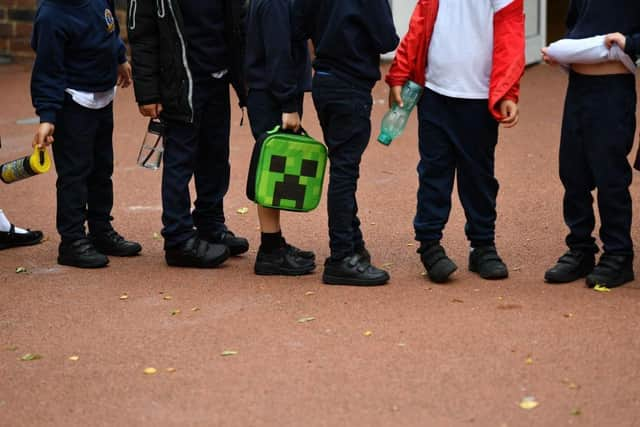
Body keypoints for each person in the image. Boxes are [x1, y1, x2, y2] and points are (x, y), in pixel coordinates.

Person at [385, 0, 525, 284]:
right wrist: (399, 72)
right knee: (434, 173)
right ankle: (429, 245)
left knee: (479, 177)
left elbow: (511, 34)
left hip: (479, 98)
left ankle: (482, 246)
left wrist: (509, 90)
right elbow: (419, 25)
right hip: (434, 94)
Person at [127, 0, 250, 268]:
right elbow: (142, 36)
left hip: (218, 77)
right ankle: (178, 239)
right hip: (181, 82)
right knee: (180, 161)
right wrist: (147, 93)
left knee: (217, 156)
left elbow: (239, 19)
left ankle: (210, 223)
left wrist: (245, 79)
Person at [292, 0, 399, 286]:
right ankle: (341, 257)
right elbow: (386, 39)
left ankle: (353, 244)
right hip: (351, 85)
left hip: (324, 82)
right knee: (344, 172)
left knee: (341, 166)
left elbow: (299, 26)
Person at [31, 0, 142, 269]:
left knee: (101, 170)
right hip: (73, 102)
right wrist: (47, 116)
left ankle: (101, 230)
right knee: (75, 174)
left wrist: (119, 57)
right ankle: (72, 241)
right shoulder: (51, 15)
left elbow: (109, 27)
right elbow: (47, 70)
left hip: (103, 97)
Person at [542, 0, 640, 288]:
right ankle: (580, 249)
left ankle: (618, 254)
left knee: (610, 177)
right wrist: (562, 54)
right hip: (578, 89)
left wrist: (630, 42)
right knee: (572, 173)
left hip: (613, 91)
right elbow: (575, 27)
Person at [245, 0, 316, 276]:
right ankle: (270, 251)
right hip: (272, 95)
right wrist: (288, 103)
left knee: (275, 170)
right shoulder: (275, 3)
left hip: (267, 92)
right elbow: (277, 54)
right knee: (273, 171)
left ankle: (274, 243)